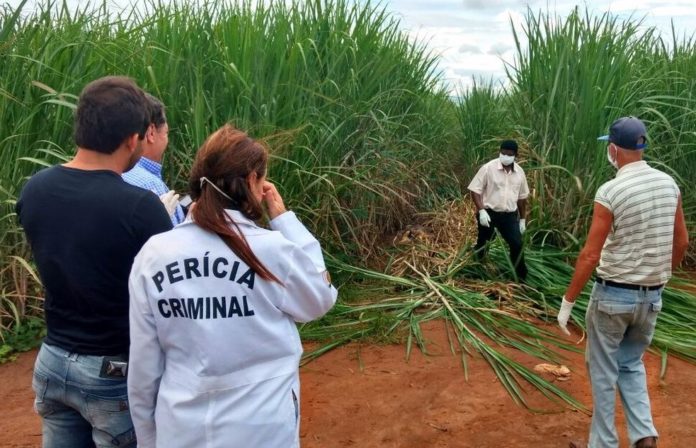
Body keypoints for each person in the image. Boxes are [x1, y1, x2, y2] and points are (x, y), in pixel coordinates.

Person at [127, 124, 338, 448]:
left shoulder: (154, 255)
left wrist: (147, 440)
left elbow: (144, 369)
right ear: (253, 180)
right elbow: (320, 298)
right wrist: (282, 218)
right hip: (263, 430)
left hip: (181, 429)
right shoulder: (271, 250)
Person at [15, 76, 173, 448]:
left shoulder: (35, 188)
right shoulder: (139, 207)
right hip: (112, 372)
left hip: (53, 359)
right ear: (133, 139)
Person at [558, 116, 689, 448]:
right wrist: (660, 278)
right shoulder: (668, 184)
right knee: (630, 364)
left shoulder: (611, 190)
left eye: (609, 148)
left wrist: (567, 302)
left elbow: (590, 254)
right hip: (651, 298)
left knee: (602, 370)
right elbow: (681, 242)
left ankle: (603, 444)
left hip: (613, 296)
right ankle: (644, 435)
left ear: (614, 150)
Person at [468, 139, 530, 281]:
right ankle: (476, 268)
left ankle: (520, 277)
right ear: (500, 152)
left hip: (509, 216)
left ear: (516, 155)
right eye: (503, 153)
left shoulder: (520, 173)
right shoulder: (488, 168)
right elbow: (475, 190)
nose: (505, 156)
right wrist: (481, 211)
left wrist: (522, 219)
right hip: (489, 213)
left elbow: (522, 198)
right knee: (484, 242)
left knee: (517, 244)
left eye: (509, 154)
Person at [123, 93, 184, 225]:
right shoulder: (151, 185)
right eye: (166, 133)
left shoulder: (115, 172)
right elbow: (170, 241)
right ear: (151, 133)